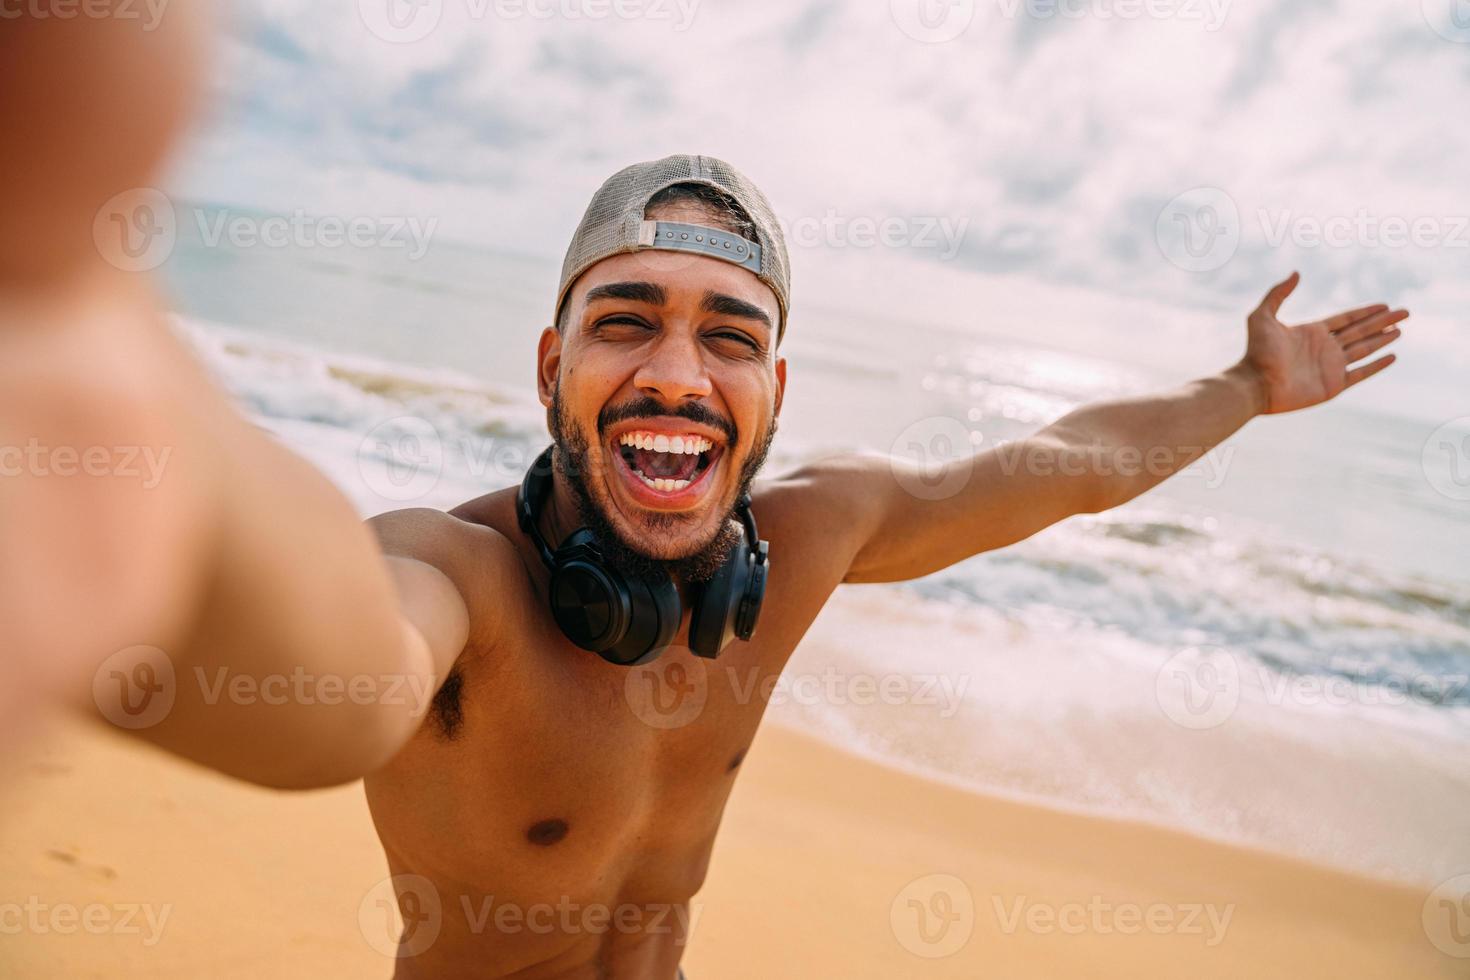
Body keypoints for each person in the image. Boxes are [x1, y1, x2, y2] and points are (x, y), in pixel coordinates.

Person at [4, 12, 1406, 980]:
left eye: (728, 337)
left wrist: (1241, 390)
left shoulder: (804, 544)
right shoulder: (460, 586)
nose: (677, 371)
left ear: (776, 396)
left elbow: (1062, 472)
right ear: (553, 365)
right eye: (627, 321)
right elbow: (338, 673)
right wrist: (113, 401)